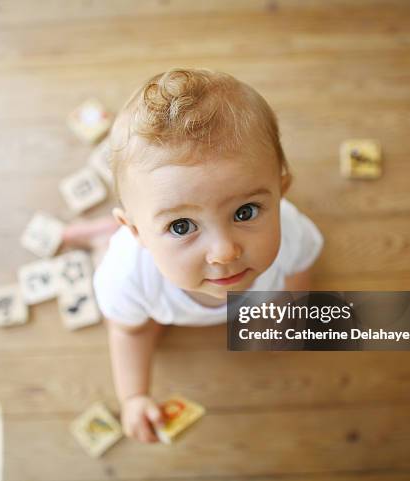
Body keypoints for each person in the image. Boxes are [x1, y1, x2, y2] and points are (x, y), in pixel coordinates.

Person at [63, 68, 324, 443]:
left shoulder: (292, 229)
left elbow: (301, 264)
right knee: (147, 321)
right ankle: (102, 238)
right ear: (135, 231)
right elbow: (127, 330)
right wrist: (134, 396)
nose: (224, 252)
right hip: (145, 279)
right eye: (182, 226)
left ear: (281, 192)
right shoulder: (128, 278)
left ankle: (112, 231)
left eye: (245, 212)